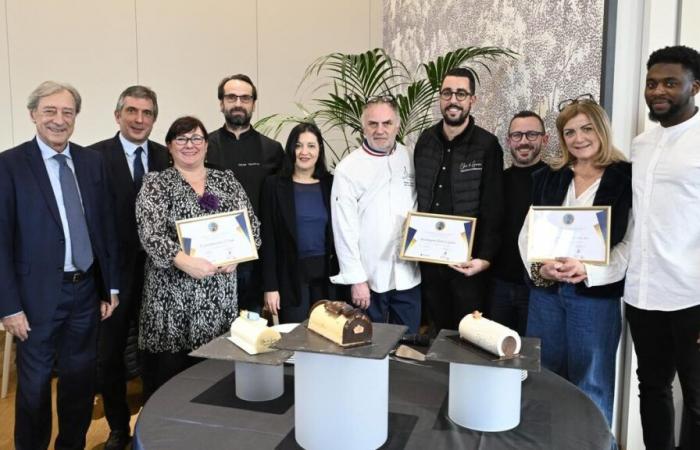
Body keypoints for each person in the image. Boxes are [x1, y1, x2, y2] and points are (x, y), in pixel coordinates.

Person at [0, 81, 119, 450]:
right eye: (50, 111)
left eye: (67, 112)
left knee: (80, 382)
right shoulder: (9, 165)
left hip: (85, 292)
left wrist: (108, 286)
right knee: (34, 388)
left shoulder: (91, 162)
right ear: (33, 114)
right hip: (33, 299)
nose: (59, 119)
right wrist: (8, 306)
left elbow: (103, 227)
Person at [518, 97, 632, 426]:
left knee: (591, 383)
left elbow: (630, 244)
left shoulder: (625, 178)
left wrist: (588, 270)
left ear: (602, 129)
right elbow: (528, 234)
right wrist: (542, 267)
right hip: (547, 297)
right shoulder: (548, 177)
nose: (578, 138)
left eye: (586, 128)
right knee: (543, 377)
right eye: (569, 132)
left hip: (594, 299)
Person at [136, 116, 260, 390]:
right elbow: (150, 234)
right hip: (170, 301)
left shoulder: (226, 180)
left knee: (214, 381)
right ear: (169, 146)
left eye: (196, 139)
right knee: (169, 382)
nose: (189, 145)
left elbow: (252, 227)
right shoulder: (156, 184)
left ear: (206, 145)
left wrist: (237, 256)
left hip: (218, 300)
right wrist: (184, 262)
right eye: (181, 139)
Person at [625, 45, 700, 450]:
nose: (658, 91)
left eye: (671, 82)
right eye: (652, 83)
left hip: (692, 295)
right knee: (651, 389)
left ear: (695, 87)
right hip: (643, 292)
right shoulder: (641, 144)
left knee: (697, 400)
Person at [89, 85, 170, 450]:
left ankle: (153, 421)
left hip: (160, 272)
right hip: (113, 275)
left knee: (155, 351)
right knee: (110, 356)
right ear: (117, 114)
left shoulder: (166, 157)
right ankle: (118, 427)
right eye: (132, 111)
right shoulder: (93, 158)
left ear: (154, 118)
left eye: (147, 113)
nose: (140, 119)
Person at [413, 67, 504, 333]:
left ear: (472, 100)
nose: (453, 100)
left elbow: (493, 206)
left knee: (467, 335)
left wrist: (484, 258)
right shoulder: (425, 141)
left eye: (461, 94)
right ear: (440, 97)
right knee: (434, 332)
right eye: (447, 93)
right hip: (429, 260)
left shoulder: (487, 145)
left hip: (468, 265)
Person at [330, 97, 421, 333]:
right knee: (369, 348)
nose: (380, 130)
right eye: (373, 124)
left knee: (408, 346)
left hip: (409, 275)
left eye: (387, 123)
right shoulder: (347, 169)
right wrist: (356, 280)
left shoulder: (410, 157)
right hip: (369, 278)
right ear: (363, 127)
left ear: (397, 126)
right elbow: (344, 229)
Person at [206, 74, 285, 313]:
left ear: (253, 104)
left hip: (257, 258)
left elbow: (277, 208)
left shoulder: (273, 150)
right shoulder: (203, 147)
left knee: (251, 326)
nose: (238, 103)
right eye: (231, 97)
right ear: (221, 103)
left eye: (245, 98)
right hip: (213, 257)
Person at [261, 123, 345, 323]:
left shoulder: (332, 184)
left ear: (319, 150)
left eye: (311, 146)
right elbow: (268, 239)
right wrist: (270, 287)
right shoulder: (273, 185)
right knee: (294, 339)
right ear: (291, 149)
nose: (304, 152)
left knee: (328, 337)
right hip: (290, 277)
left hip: (328, 276)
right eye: (298, 146)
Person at [489, 111, 548, 335]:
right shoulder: (496, 181)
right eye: (517, 135)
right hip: (498, 286)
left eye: (531, 134)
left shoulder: (556, 181)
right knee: (497, 355)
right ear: (508, 141)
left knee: (533, 356)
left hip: (538, 287)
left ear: (545, 139)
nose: (524, 141)